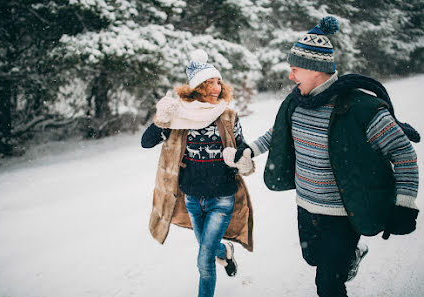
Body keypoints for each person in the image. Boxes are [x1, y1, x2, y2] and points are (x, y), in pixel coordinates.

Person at [223, 16, 420, 297]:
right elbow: (277, 133)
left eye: (294, 70)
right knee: (312, 257)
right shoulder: (296, 103)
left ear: (314, 69)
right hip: (306, 205)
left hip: (343, 214)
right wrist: (250, 149)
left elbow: (402, 152)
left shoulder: (361, 109)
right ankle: (353, 254)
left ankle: (344, 256)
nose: (290, 76)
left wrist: (405, 202)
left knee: (327, 284)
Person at [141, 49, 254, 297]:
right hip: (192, 198)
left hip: (222, 198)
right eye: (210, 82)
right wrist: (161, 120)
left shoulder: (228, 115)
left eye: (218, 81)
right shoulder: (179, 118)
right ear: (198, 87)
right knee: (209, 248)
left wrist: (244, 159)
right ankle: (225, 252)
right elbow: (146, 142)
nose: (217, 86)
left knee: (203, 261)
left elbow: (242, 146)